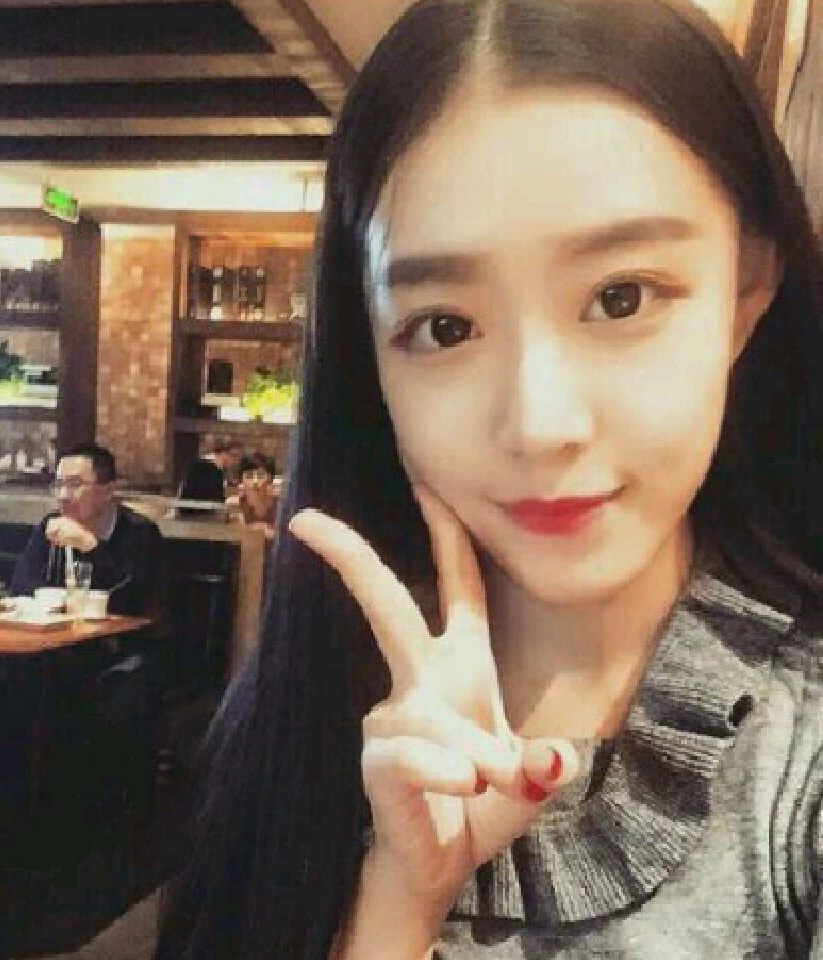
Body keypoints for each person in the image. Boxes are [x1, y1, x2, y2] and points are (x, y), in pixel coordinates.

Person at [156, 1, 823, 958]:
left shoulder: (798, 766)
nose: (539, 424)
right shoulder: (305, 709)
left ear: (746, 298)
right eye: (446, 327)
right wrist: (397, 902)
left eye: (620, 297)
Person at [11, 442, 164, 618]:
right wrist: (58, 600)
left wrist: (91, 547)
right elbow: (20, 583)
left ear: (107, 491)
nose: (63, 495)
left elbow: (132, 599)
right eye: (59, 484)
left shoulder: (140, 532)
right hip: (61, 630)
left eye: (75, 484)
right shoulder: (51, 526)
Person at [178, 439, 243, 504]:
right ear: (223, 453)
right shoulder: (204, 468)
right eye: (234, 456)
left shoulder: (214, 469)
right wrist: (229, 500)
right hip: (196, 508)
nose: (236, 462)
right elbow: (210, 497)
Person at [233, 451, 279, 538]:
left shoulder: (280, 504)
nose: (255, 482)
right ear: (241, 480)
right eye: (249, 476)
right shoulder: (236, 504)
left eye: (260, 476)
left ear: (270, 478)